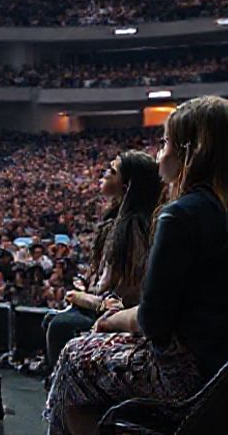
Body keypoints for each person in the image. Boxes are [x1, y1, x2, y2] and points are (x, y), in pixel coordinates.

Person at [44, 96, 228, 435]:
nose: (160, 153)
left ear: (189, 152)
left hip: (199, 377)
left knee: (74, 359)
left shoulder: (182, 214)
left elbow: (152, 321)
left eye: (165, 143)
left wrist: (109, 320)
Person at [43, 151, 161, 374]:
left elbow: (123, 297)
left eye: (112, 171)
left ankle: (62, 396)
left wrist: (83, 297)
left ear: (127, 185)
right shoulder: (119, 220)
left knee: (59, 326)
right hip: (106, 304)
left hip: (119, 314)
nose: (104, 174)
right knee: (52, 320)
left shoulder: (132, 228)